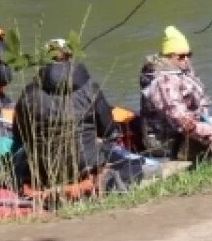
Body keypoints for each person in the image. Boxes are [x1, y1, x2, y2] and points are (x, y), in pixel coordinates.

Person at [12, 53, 153, 192]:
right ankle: (92, 184)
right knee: (145, 167)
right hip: (85, 167)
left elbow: (20, 137)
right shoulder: (91, 89)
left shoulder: (27, 94)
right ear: (71, 61)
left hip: (45, 171)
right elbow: (109, 130)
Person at [138, 25, 212, 163]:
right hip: (169, 143)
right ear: (169, 56)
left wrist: (204, 115)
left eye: (188, 55)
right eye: (182, 56)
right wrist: (210, 132)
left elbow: (199, 97)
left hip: (189, 130)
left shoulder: (180, 71)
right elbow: (182, 121)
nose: (186, 60)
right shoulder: (163, 82)